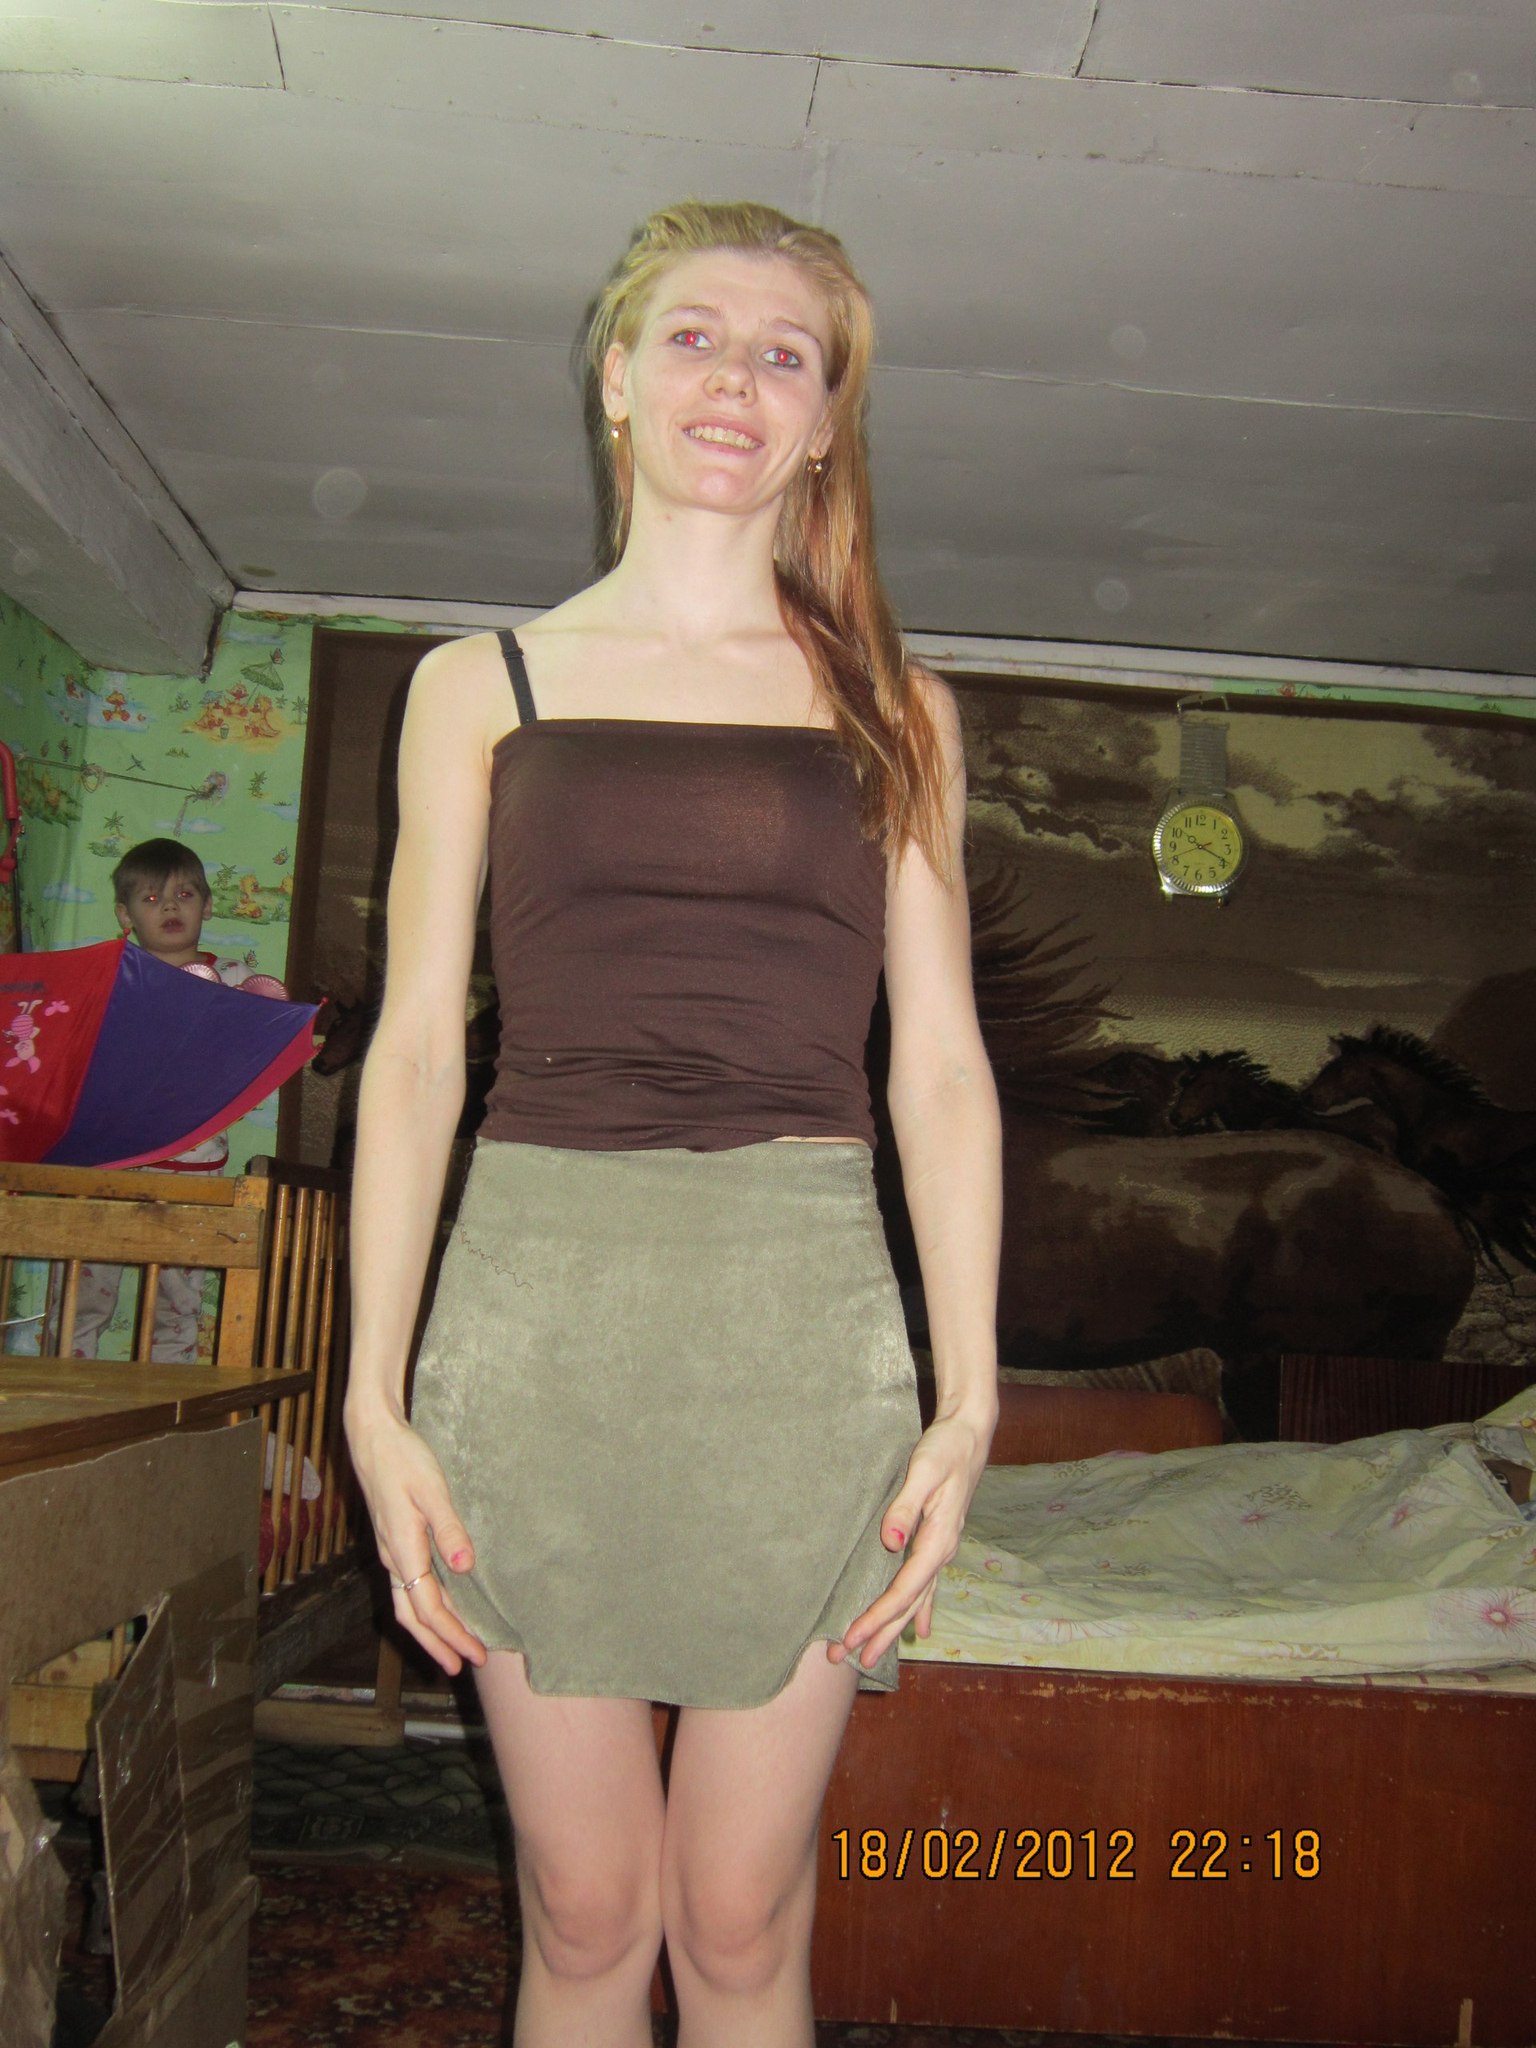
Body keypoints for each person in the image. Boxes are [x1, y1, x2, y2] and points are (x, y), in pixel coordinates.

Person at [343, 200, 1002, 2047]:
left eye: (787, 355)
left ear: (824, 424)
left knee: (732, 1913)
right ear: (618, 380)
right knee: (584, 1904)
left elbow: (940, 1069)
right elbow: (415, 1052)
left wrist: (967, 1399)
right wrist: (374, 1399)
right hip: (535, 1313)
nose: (738, 376)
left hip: (799, 1328)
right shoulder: (477, 686)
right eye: (695, 335)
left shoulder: (900, 710)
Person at [68, 837, 287, 1360]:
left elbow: (259, 1055)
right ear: (125, 916)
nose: (169, 907)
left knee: (179, 1303)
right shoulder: (109, 977)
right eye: (150, 899)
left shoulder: (235, 980)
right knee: (82, 1295)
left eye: (184, 895)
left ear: (207, 905)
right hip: (110, 1163)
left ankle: (171, 1400)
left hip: (194, 1166)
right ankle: (65, 1390)